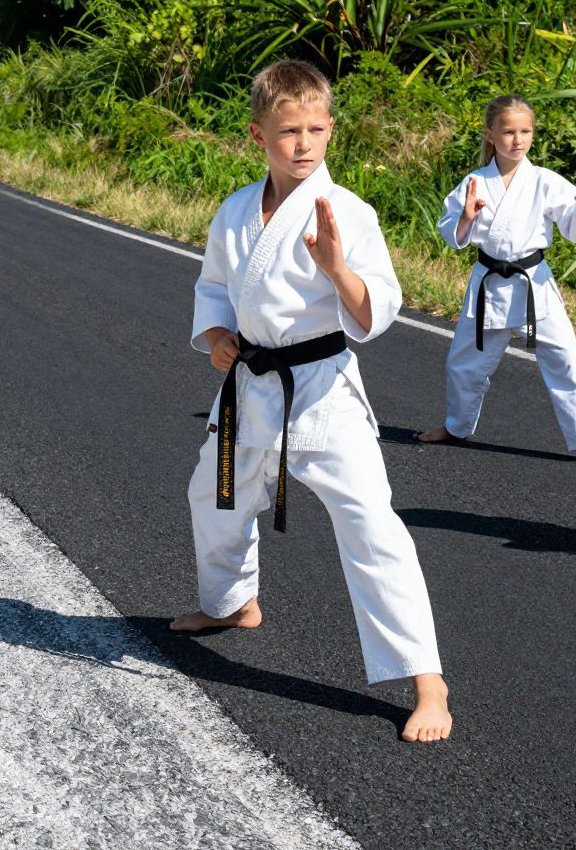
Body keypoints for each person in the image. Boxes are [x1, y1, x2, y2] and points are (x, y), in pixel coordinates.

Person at [170, 59, 453, 741]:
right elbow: (214, 289)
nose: (304, 143)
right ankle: (233, 602)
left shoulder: (349, 213)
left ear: (331, 130)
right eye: (289, 130)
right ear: (258, 134)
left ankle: (428, 680)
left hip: (321, 391)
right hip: (249, 383)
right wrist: (214, 337)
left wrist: (337, 269)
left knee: (369, 524)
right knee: (212, 495)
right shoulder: (235, 211)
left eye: (316, 129)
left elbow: (377, 311)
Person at [418, 95, 576, 470]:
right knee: (464, 363)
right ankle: (456, 426)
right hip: (488, 284)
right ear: (491, 135)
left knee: (567, 362)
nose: (518, 139)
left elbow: (575, 228)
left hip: (534, 285)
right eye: (509, 131)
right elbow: (451, 233)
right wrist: (465, 218)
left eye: (525, 131)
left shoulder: (544, 180)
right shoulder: (475, 182)